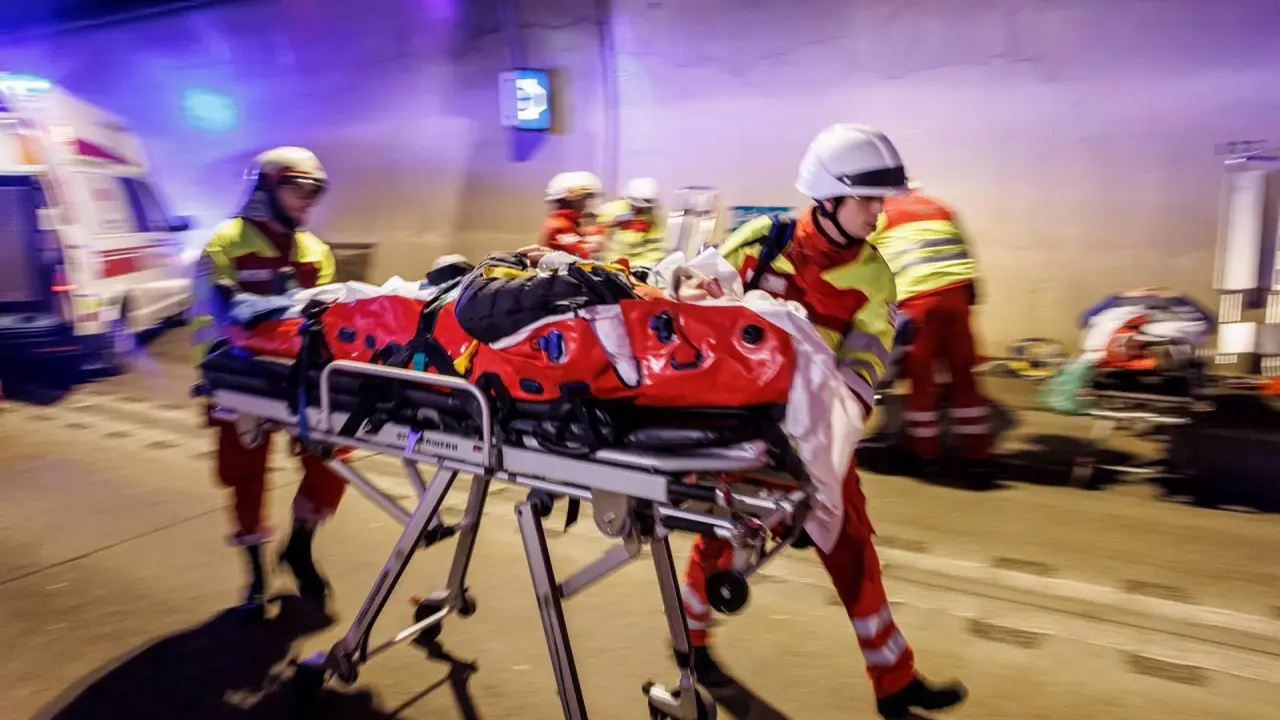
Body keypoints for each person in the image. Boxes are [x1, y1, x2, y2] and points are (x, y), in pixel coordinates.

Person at [681, 124, 967, 719]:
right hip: (739, 428)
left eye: (882, 199)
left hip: (815, 435)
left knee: (852, 547)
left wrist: (833, 435)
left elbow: (866, 361)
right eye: (869, 199)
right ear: (830, 196)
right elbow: (698, 309)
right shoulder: (767, 241)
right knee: (720, 538)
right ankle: (692, 644)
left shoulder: (875, 275)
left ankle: (894, 682)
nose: (879, 212)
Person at [190, 146, 347, 616]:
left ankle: (298, 547)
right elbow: (218, 314)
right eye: (298, 188)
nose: (307, 200)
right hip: (239, 377)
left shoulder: (315, 250)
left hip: (298, 377)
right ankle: (256, 570)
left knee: (332, 461)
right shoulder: (226, 243)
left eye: (314, 191)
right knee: (244, 474)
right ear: (266, 188)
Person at [866, 188, 989, 476]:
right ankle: (977, 453)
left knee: (921, 378)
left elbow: (862, 260)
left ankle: (925, 453)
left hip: (918, 299)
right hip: (958, 295)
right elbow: (964, 250)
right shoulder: (941, 207)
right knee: (963, 374)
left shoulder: (880, 212)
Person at [601, 176, 668, 266]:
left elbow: (655, 249)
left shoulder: (653, 217)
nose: (641, 208)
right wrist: (617, 220)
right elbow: (599, 222)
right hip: (614, 265)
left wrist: (647, 265)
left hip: (641, 266)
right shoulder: (615, 209)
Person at [542, 171, 606, 259]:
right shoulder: (560, 225)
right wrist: (595, 240)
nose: (587, 202)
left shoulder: (570, 222)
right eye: (585, 197)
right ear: (573, 199)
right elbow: (578, 256)